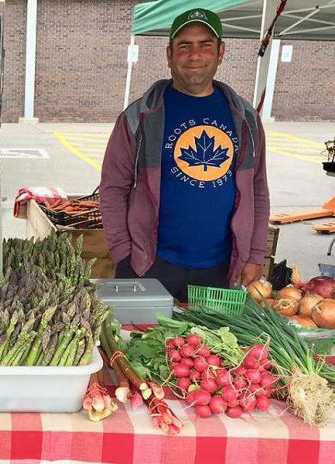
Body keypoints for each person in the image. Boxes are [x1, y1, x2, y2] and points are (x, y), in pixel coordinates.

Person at [99, 8, 269, 302]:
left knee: (209, 346)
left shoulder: (245, 119)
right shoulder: (139, 117)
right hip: (150, 264)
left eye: (205, 45)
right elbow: (113, 189)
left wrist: (254, 254)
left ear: (220, 52)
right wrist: (123, 255)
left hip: (220, 268)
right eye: (184, 45)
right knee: (139, 344)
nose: (195, 55)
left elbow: (258, 189)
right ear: (169, 54)